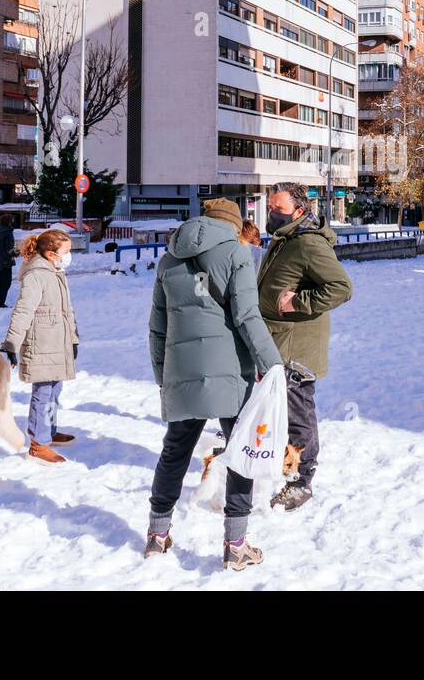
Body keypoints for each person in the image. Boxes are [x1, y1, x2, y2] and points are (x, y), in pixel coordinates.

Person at [145, 198, 284, 570]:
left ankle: (157, 536)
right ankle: (235, 545)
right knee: (239, 453)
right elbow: (247, 316)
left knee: (174, 451)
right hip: (228, 373)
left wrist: (164, 376)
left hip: (182, 370)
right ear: (234, 225)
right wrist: (273, 365)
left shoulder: (168, 258)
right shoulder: (237, 255)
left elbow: (157, 327)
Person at [257, 182, 353, 512]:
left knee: (299, 414)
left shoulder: (309, 244)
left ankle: (302, 481)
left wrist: (298, 301)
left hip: (298, 348)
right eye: (270, 206)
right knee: (281, 412)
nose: (271, 213)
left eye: (278, 209)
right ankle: (280, 466)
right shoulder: (284, 240)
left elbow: (341, 288)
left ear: (299, 211)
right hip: (277, 342)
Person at [2, 229, 79, 465]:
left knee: (55, 391)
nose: (69, 255)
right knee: (44, 394)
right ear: (51, 253)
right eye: (66, 252)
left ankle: (49, 432)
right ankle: (38, 446)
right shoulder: (36, 275)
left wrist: (73, 339)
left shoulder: (55, 272)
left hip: (57, 342)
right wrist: (11, 344)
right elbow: (23, 311)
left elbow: (66, 311)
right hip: (42, 344)